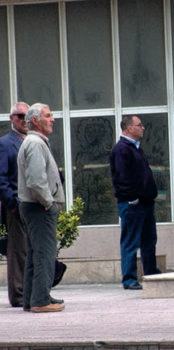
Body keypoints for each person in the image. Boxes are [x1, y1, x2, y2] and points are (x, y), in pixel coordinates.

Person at [17, 103, 65, 313]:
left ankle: (32, 298)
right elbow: (36, 181)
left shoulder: (32, 142)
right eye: (47, 116)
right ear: (35, 121)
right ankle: (41, 300)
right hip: (39, 207)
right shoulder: (35, 143)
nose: (52, 119)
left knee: (35, 254)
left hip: (32, 206)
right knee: (44, 254)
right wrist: (48, 202)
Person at [109, 115, 162, 290]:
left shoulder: (135, 148)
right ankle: (129, 278)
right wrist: (132, 199)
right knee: (131, 241)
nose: (143, 128)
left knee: (149, 239)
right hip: (132, 204)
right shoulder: (122, 150)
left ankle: (151, 272)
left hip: (145, 202)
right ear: (128, 128)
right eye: (139, 125)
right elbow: (121, 178)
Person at [0, 102, 29, 307]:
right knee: (18, 250)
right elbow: (1, 177)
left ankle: (31, 290)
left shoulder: (34, 141)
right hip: (16, 205)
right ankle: (18, 294)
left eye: (28, 116)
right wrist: (11, 202)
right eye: (20, 116)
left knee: (32, 249)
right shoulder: (5, 143)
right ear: (12, 119)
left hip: (33, 205)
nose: (24, 119)